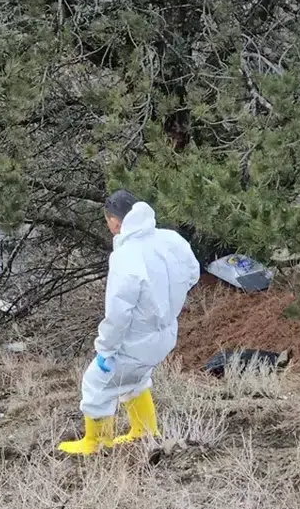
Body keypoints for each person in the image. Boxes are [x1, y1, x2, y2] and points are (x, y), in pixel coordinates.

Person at [58, 190, 200, 454]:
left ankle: (97, 444)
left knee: (96, 384)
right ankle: (144, 431)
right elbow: (192, 273)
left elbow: (118, 313)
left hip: (136, 339)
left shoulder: (126, 255)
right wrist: (168, 300)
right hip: (166, 333)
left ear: (114, 221)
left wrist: (106, 349)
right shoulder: (171, 239)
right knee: (135, 379)